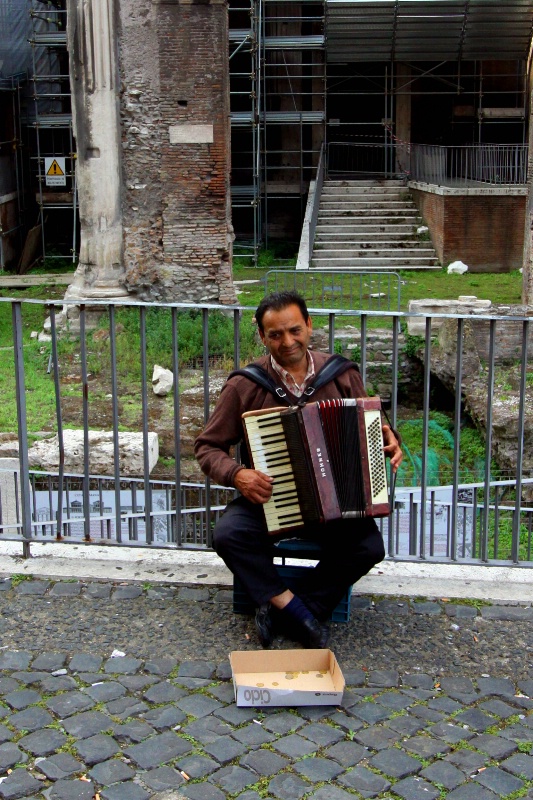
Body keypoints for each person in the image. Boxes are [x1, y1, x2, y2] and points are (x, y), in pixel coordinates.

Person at [194, 291, 402, 648]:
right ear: (262, 336)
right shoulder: (245, 385)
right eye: (275, 335)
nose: (287, 342)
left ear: (309, 325)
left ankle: (285, 609)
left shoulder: (342, 375)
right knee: (229, 535)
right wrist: (238, 475)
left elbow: (376, 426)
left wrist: (391, 440)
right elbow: (207, 447)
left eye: (294, 330)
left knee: (368, 546)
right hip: (270, 499)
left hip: (334, 503)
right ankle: (301, 614)